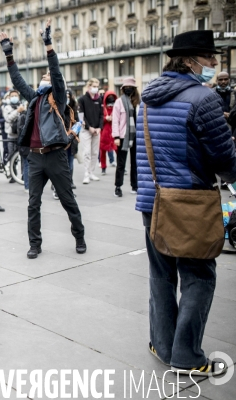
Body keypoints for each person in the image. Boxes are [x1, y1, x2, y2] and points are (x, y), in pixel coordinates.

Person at [137, 30, 236, 377]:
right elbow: (224, 157)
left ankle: (162, 345)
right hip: (190, 202)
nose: (214, 64)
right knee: (199, 276)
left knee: (160, 276)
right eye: (211, 59)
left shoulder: (146, 99)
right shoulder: (203, 98)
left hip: (153, 201)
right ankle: (186, 356)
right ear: (193, 60)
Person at [0, 19, 86, 259]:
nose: (46, 77)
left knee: (68, 201)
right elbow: (17, 80)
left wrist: (48, 44)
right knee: (33, 204)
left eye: (48, 75)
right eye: (44, 75)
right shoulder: (34, 98)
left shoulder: (58, 98)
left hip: (56, 156)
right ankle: (35, 244)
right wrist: (9, 53)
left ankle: (79, 235)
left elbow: (56, 71)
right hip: (35, 159)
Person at [112, 77, 140, 197]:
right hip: (123, 136)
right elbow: (115, 120)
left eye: (130, 87)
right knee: (121, 163)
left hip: (136, 136)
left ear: (134, 89)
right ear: (123, 89)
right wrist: (116, 137)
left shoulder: (138, 102)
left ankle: (135, 185)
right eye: (126, 87)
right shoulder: (119, 102)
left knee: (135, 162)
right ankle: (118, 186)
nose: (128, 89)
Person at [78, 78, 104, 184]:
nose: (96, 88)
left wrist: (99, 128)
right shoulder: (82, 99)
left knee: (94, 152)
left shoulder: (99, 99)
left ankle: (91, 172)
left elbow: (102, 115)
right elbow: (81, 116)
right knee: (87, 153)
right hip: (86, 130)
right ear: (89, 87)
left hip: (97, 130)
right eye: (94, 86)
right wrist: (89, 127)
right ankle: (86, 174)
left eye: (97, 86)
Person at [3, 89, 26, 167]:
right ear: (9, 97)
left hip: (21, 136)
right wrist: (17, 111)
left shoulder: (23, 106)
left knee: (23, 156)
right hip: (11, 136)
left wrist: (23, 110)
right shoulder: (6, 108)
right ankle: (13, 175)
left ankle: (23, 176)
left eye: (15, 96)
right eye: (12, 96)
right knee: (11, 156)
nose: (14, 97)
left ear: (19, 97)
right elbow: (8, 118)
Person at [100, 90, 118, 176]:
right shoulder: (103, 108)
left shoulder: (117, 107)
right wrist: (105, 118)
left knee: (118, 150)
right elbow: (100, 119)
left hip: (114, 132)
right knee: (103, 151)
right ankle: (103, 167)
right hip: (105, 132)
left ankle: (121, 166)